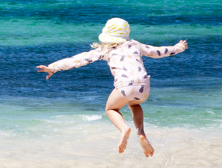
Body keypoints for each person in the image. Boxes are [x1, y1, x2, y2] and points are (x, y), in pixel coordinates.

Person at [36, 18, 187, 157]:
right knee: (134, 104)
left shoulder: (105, 50)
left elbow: (78, 60)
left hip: (124, 86)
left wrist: (52, 68)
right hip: (144, 86)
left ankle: (124, 129)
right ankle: (141, 133)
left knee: (111, 109)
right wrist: (178, 47)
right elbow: (158, 51)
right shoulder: (135, 45)